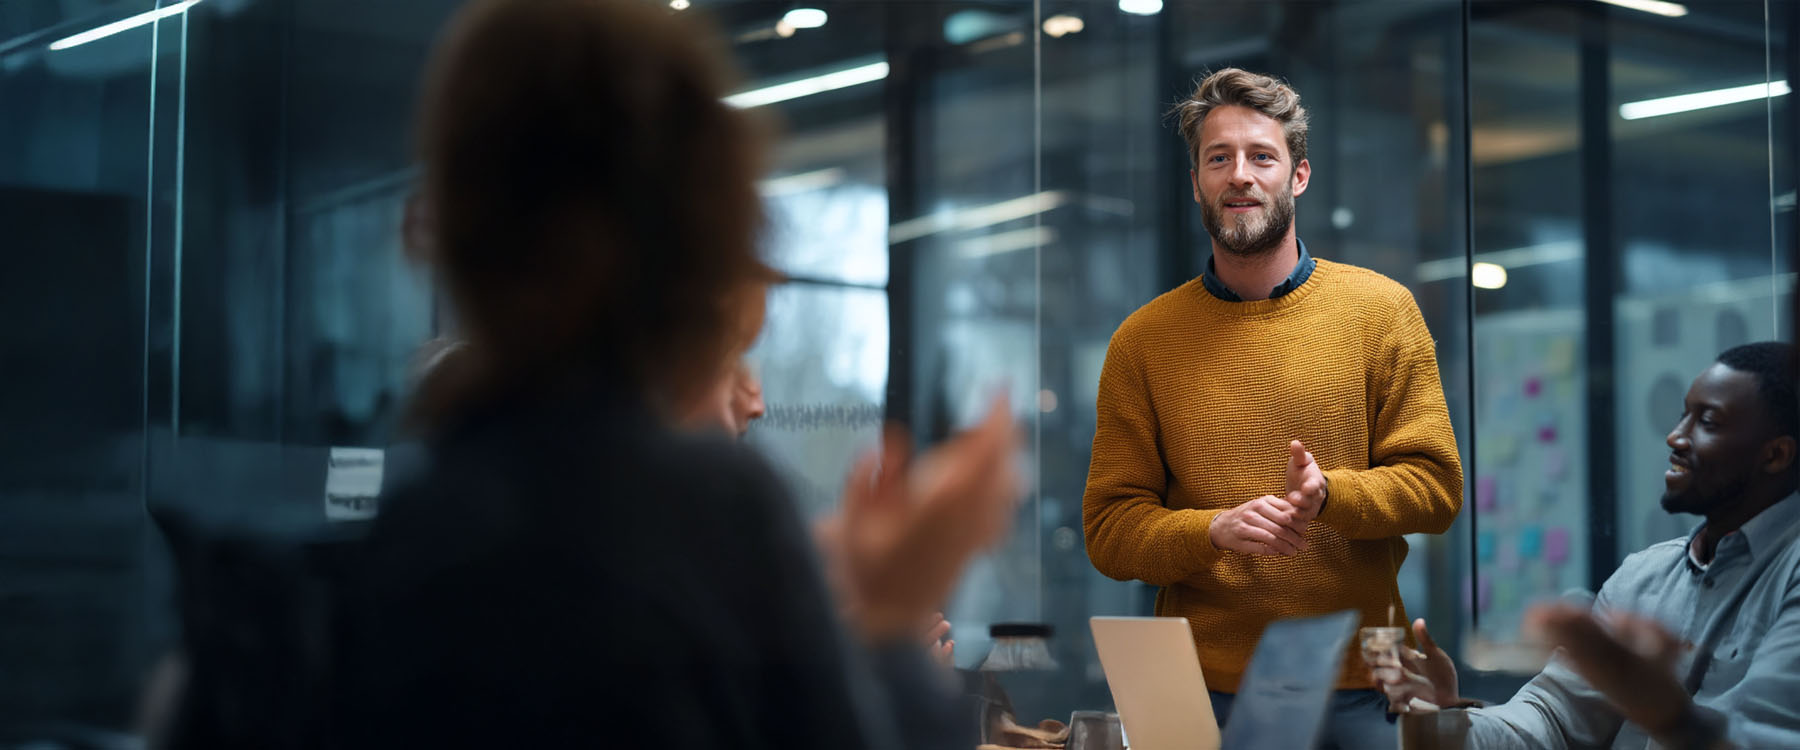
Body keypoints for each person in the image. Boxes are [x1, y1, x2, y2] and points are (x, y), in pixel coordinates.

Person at [329, 2, 1021, 748]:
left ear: (438, 226)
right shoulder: (712, 515)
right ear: (706, 223)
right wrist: (889, 620)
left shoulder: (387, 543)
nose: (752, 398)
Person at [1081, 67, 1463, 748]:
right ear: (1196, 181)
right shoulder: (1142, 342)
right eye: (1218, 158)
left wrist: (1329, 497)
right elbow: (1110, 531)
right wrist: (1211, 531)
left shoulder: (1382, 311)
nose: (1240, 176)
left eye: (1262, 156)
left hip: (1369, 671)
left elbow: (1438, 490)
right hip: (1195, 680)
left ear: (1299, 177)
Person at [1375, 342, 1800, 749]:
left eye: (1707, 422)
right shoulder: (1644, 575)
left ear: (1776, 455)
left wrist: (1668, 712)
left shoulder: (1790, 572)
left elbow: (1766, 736)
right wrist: (1445, 716)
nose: (1675, 437)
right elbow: (1551, 720)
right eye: (1683, 415)